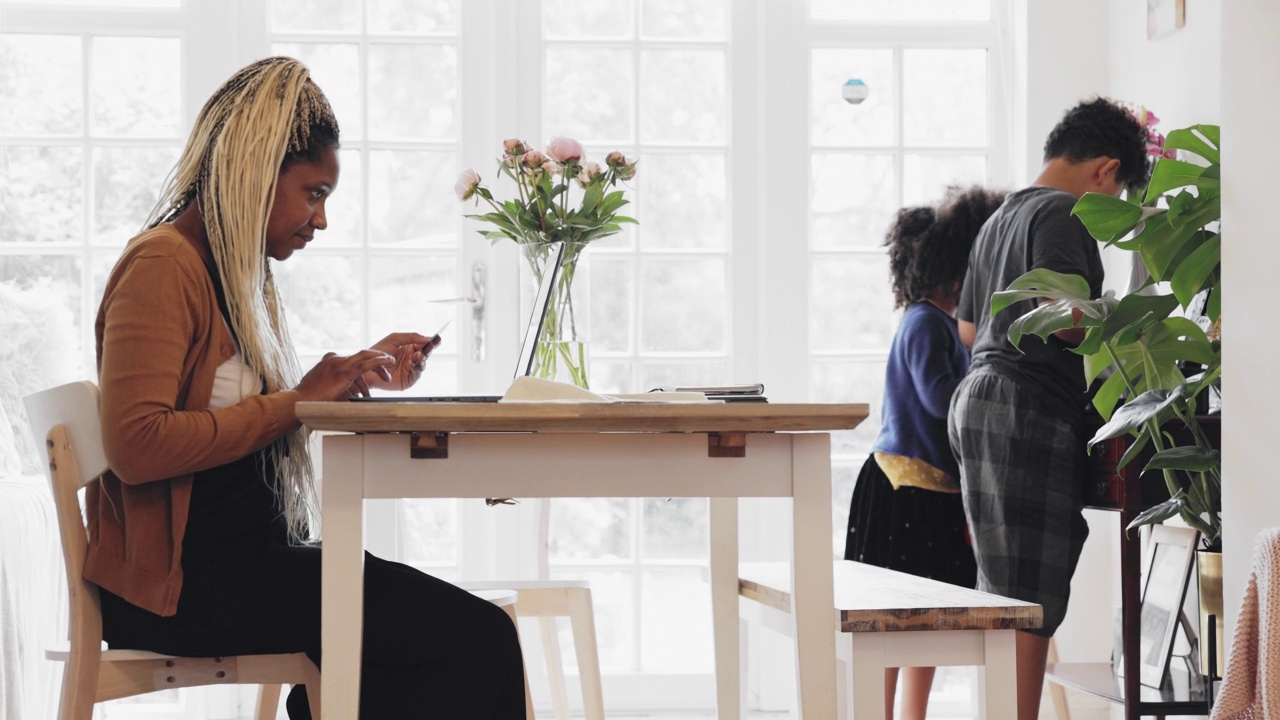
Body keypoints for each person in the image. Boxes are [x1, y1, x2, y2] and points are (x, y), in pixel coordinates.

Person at [88, 57, 526, 718]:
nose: (319, 220)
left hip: (237, 567)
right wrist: (296, 402)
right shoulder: (164, 264)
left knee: (409, 650)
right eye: (314, 192)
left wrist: (344, 377)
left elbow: (227, 417)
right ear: (257, 174)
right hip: (190, 590)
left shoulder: (221, 273)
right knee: (481, 639)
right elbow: (137, 443)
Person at [947, 97, 1151, 720]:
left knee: (1005, 592)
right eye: (1120, 197)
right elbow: (1062, 318)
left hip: (980, 398)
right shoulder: (1065, 213)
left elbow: (965, 328)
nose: (1113, 214)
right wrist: (1119, 317)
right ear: (1105, 172)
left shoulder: (1000, 216)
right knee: (1027, 599)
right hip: (1025, 405)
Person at [844, 185, 1006, 720]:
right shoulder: (923, 322)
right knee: (894, 619)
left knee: (928, 620)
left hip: (928, 486)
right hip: (903, 488)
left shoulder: (935, 323)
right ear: (958, 271)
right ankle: (880, 712)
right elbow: (939, 397)